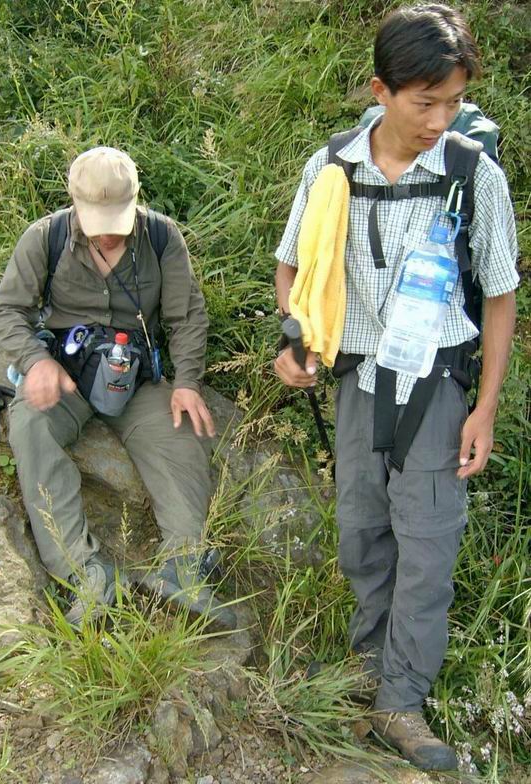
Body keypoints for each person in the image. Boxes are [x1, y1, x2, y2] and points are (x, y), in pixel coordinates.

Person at [274, 4, 518, 771]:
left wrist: (484, 407)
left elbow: (502, 295)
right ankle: (368, 666)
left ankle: (402, 701)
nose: (439, 120)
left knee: (428, 542)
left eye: (454, 102)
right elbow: (293, 266)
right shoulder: (332, 170)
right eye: (425, 102)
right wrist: (293, 340)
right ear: (381, 91)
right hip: (357, 377)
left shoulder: (473, 175)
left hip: (437, 383)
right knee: (361, 531)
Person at [0, 146, 235, 630]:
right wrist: (36, 363)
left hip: (135, 379)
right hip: (65, 376)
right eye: (96, 221)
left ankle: (183, 570)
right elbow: (6, 311)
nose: (107, 233)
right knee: (31, 426)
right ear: (74, 203)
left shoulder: (162, 238)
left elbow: (187, 317)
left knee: (181, 429)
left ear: (136, 200)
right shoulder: (46, 237)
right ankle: (87, 576)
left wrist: (187, 382)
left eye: (117, 220)